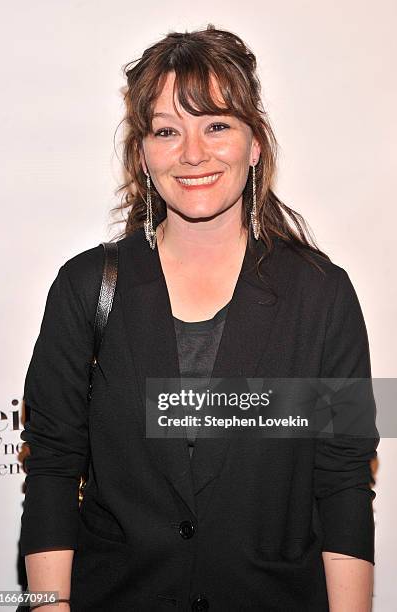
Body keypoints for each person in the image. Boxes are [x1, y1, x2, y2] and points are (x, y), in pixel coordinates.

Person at [19, 24, 379, 611]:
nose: (192, 153)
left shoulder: (322, 294)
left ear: (255, 143)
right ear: (143, 153)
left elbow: (340, 480)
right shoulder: (85, 288)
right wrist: (50, 605)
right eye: (167, 130)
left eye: (216, 125)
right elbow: (54, 467)